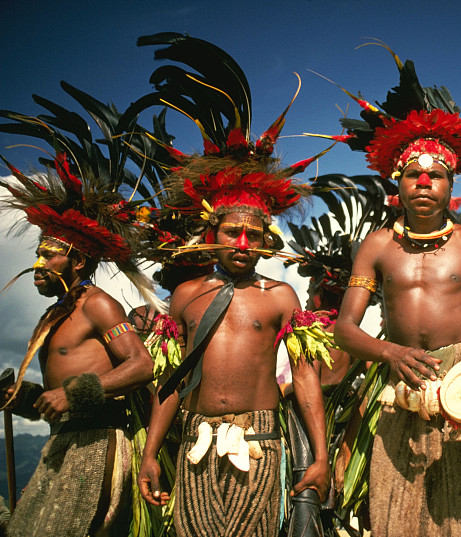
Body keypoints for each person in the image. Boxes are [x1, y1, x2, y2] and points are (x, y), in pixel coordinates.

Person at [131, 33, 330, 537]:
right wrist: (152, 452)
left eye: (254, 235)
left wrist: (322, 456)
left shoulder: (282, 298)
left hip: (262, 440)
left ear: (266, 243)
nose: (242, 242)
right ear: (211, 236)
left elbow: (305, 380)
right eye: (232, 232)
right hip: (195, 440)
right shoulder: (184, 297)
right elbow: (171, 380)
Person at [330, 47, 461, 536]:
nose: (423, 182)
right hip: (396, 384)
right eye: (413, 174)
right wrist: (389, 352)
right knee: (397, 508)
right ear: (397, 182)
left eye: (435, 175)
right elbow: (344, 330)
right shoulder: (376, 247)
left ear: (450, 183)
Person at [0, 90, 159, 537]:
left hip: (97, 444)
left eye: (50, 255)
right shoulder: (50, 318)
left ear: (79, 262)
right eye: (37, 253)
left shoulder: (97, 303)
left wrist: (76, 393)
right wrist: (19, 398)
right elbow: (53, 402)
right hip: (61, 444)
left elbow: (141, 365)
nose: (38, 264)